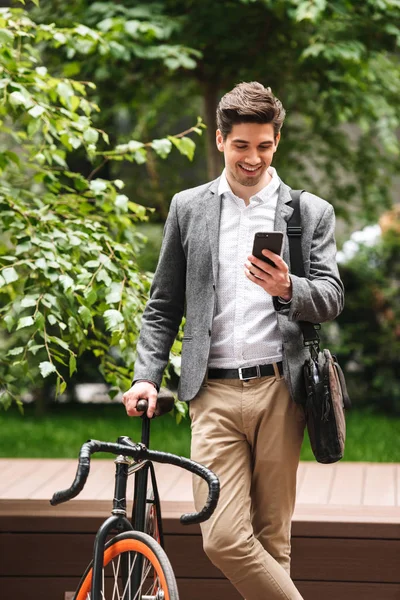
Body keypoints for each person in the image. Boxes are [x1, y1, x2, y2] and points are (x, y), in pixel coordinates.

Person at [122, 81, 344, 600]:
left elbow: (331, 297)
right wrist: (144, 376)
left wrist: (288, 287)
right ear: (221, 140)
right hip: (213, 394)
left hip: (279, 390)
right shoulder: (189, 208)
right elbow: (162, 306)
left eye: (264, 145)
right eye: (242, 145)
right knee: (223, 539)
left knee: (273, 540)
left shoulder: (308, 212)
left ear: (277, 142)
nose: (253, 158)